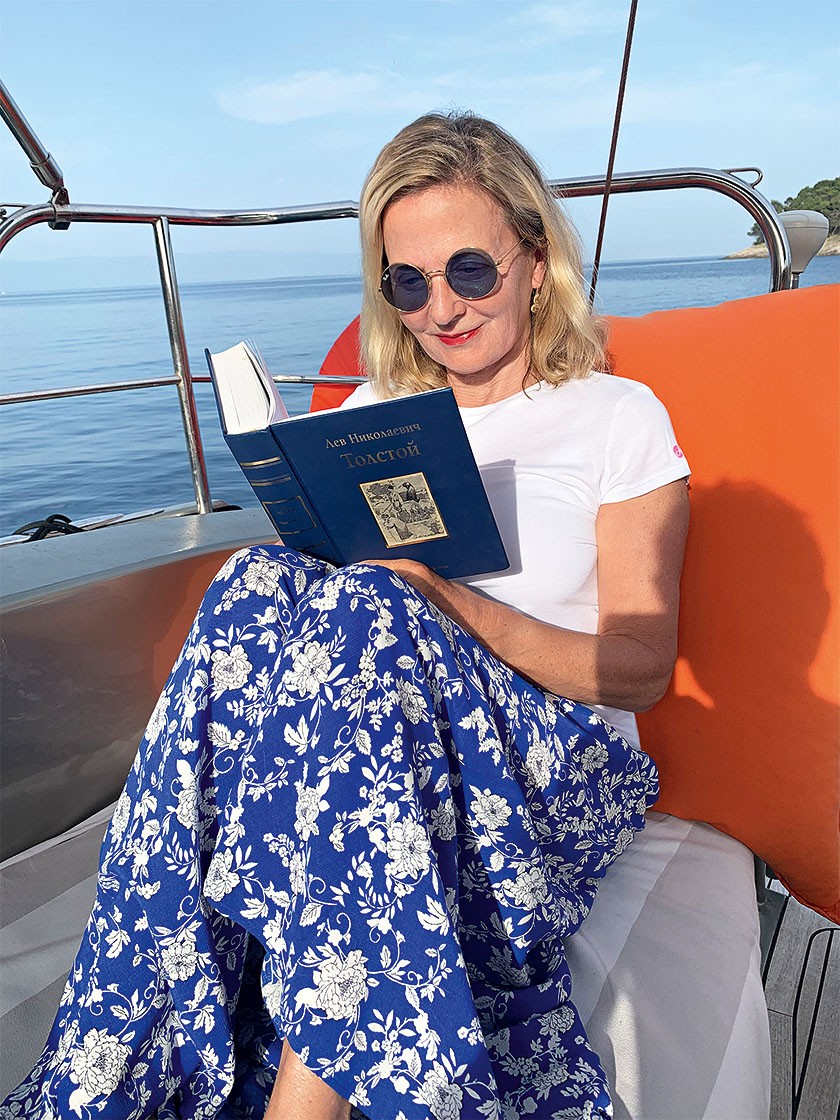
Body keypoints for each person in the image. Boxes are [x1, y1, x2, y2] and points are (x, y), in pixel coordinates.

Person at [0, 112, 770, 1120]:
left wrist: (445, 602)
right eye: (408, 283)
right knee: (253, 578)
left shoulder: (616, 418)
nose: (440, 308)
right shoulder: (374, 412)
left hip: (547, 766)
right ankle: (121, 1051)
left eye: (470, 271)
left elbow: (639, 668)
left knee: (374, 602)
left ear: (536, 262)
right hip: (381, 743)